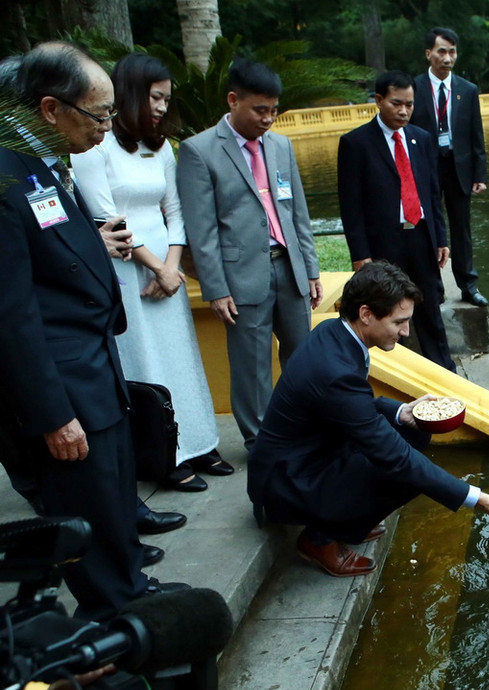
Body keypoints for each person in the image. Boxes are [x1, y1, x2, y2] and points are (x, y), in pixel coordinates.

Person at [0, 42, 186, 620]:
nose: (107, 129)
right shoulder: (6, 178)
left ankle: (130, 586)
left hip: (94, 365)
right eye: (98, 115)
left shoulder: (44, 164)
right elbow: (12, 313)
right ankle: (116, 616)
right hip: (63, 384)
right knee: (86, 500)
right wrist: (52, 413)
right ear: (51, 108)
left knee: (111, 495)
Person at [248, 261, 489, 576]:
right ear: (367, 314)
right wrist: (480, 500)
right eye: (399, 322)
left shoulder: (334, 331)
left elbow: (351, 406)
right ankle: (319, 538)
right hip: (286, 480)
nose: (405, 332)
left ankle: (350, 518)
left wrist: (402, 410)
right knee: (404, 470)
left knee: (414, 431)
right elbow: (393, 456)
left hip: (315, 450)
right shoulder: (334, 370)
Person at [71, 53, 233, 493]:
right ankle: (164, 453)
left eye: (166, 99)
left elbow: (175, 211)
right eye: (155, 97)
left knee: (180, 355)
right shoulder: (93, 147)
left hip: (167, 267)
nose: (162, 107)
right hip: (125, 267)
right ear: (130, 95)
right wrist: (157, 268)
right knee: (146, 357)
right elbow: (107, 217)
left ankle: (198, 440)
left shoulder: (159, 147)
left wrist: (173, 267)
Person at [177, 59, 322, 451]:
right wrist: (216, 288)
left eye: (274, 110)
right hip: (241, 277)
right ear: (233, 101)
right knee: (252, 366)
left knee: (302, 356)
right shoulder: (199, 151)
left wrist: (310, 269)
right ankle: (260, 442)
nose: (268, 119)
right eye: (260, 110)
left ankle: (304, 428)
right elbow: (201, 230)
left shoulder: (280, 145)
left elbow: (297, 213)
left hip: (288, 268)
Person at [338, 70, 456, 372]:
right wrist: (360, 255)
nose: (404, 111)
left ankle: (444, 373)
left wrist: (440, 238)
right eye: (396, 104)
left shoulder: (421, 138)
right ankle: (399, 377)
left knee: (430, 309)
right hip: (383, 244)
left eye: (409, 105)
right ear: (379, 101)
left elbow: (432, 193)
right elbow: (351, 205)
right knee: (388, 313)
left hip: (421, 237)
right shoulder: (356, 143)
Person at [411, 27, 489, 307]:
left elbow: (475, 134)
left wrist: (480, 174)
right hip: (426, 168)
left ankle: (468, 285)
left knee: (461, 229)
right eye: (441, 51)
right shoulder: (414, 88)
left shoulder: (467, 90)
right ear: (428, 53)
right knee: (429, 226)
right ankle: (433, 286)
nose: (447, 57)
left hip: (459, 167)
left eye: (452, 51)